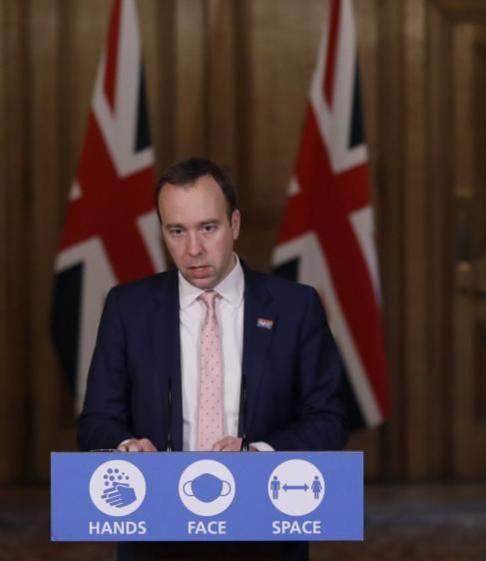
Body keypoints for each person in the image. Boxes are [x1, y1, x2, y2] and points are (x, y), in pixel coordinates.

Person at [77, 157, 348, 560]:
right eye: (177, 231)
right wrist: (125, 445)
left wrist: (258, 454)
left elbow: (329, 420)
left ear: (234, 225)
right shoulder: (127, 308)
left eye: (208, 227)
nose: (194, 249)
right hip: (157, 532)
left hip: (265, 532)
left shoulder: (296, 307)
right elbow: (96, 420)